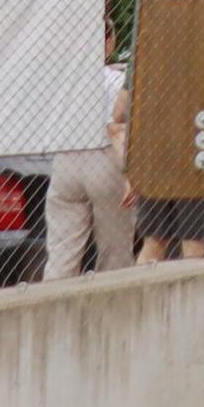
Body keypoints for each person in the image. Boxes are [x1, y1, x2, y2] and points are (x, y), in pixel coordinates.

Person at [45, 56, 136, 278]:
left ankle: (54, 302)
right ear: (105, 42)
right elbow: (118, 127)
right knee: (115, 250)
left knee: (61, 253)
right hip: (103, 155)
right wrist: (128, 173)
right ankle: (115, 304)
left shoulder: (60, 79)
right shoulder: (114, 80)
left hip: (65, 159)